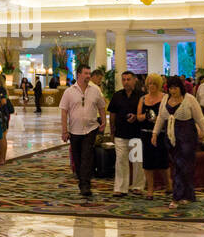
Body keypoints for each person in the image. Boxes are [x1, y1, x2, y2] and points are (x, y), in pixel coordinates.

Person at [151, 76, 204, 209]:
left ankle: (178, 196)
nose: (173, 91)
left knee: (184, 166)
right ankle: (186, 195)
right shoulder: (165, 99)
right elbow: (161, 117)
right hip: (171, 137)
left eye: (175, 88)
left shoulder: (190, 99)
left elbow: (200, 118)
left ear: (180, 88)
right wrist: (154, 133)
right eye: (171, 88)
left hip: (187, 137)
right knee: (177, 166)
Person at [59, 63, 106, 198]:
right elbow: (64, 112)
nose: (88, 76)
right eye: (85, 73)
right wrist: (64, 130)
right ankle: (82, 181)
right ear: (78, 74)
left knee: (87, 156)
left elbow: (101, 106)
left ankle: (86, 185)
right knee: (78, 158)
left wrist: (104, 121)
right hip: (74, 130)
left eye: (89, 74)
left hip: (91, 128)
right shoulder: (69, 92)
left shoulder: (95, 90)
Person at [108, 70, 144, 197]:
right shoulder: (117, 95)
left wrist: (136, 116)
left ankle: (137, 186)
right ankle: (120, 188)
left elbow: (144, 114)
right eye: (124, 80)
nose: (126, 82)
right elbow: (112, 114)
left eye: (128, 79)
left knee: (137, 161)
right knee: (121, 161)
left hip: (136, 134)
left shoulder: (141, 96)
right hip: (120, 133)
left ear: (135, 80)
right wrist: (112, 132)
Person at [136, 73, 170, 199]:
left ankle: (168, 184)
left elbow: (169, 115)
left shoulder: (165, 97)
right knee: (148, 162)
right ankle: (150, 189)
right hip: (146, 133)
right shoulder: (143, 99)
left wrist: (159, 120)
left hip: (161, 134)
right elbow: (138, 117)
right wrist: (147, 116)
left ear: (159, 85)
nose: (152, 86)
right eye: (149, 83)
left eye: (154, 84)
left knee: (163, 161)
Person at [0, 75, 13, 163]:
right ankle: (2, 158)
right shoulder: (3, 89)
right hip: (5, 113)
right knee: (2, 136)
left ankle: (2, 158)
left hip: (1, 114)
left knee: (1, 136)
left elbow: (3, 102)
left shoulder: (0, 89)